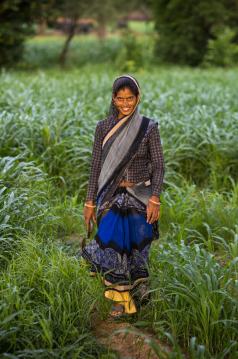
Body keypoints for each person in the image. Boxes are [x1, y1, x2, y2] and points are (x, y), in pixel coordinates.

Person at [81, 75, 165, 318]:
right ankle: (120, 299)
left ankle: (139, 289)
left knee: (137, 246)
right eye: (120, 99)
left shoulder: (148, 127)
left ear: (138, 98)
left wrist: (155, 198)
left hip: (140, 194)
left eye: (130, 98)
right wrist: (90, 202)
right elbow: (95, 166)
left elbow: (158, 165)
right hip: (111, 195)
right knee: (114, 242)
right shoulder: (103, 128)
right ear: (113, 98)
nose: (126, 103)